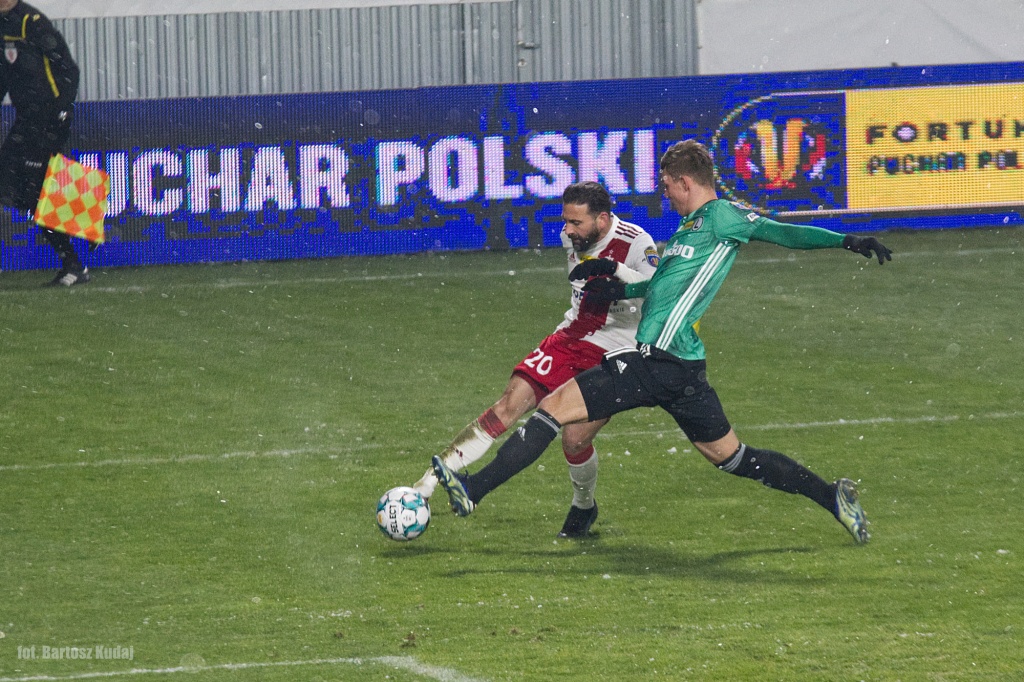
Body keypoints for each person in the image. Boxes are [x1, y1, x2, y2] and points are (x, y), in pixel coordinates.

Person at [433, 139, 893, 545]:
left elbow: (783, 231)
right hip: (680, 368)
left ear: (685, 181)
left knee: (553, 408)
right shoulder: (688, 233)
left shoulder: (724, 217)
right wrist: (620, 288)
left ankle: (473, 491)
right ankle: (832, 497)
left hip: (656, 360)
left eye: (668, 186)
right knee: (732, 458)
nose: (665, 195)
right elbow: (664, 289)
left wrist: (847, 240)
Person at [413, 180, 660, 537]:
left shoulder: (636, 242)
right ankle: (425, 487)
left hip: (615, 350)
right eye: (566, 221)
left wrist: (615, 272)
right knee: (508, 404)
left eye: (577, 223)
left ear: (603, 219)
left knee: (574, 439)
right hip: (571, 336)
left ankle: (584, 506)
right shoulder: (570, 237)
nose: (568, 230)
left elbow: (657, 294)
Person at [0, 0, 87, 286]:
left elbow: (69, 69)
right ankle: (73, 263)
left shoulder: (32, 22)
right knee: (19, 188)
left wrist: (62, 109)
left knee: (39, 191)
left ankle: (73, 264)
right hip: (27, 119)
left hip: (48, 118)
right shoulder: (3, 25)